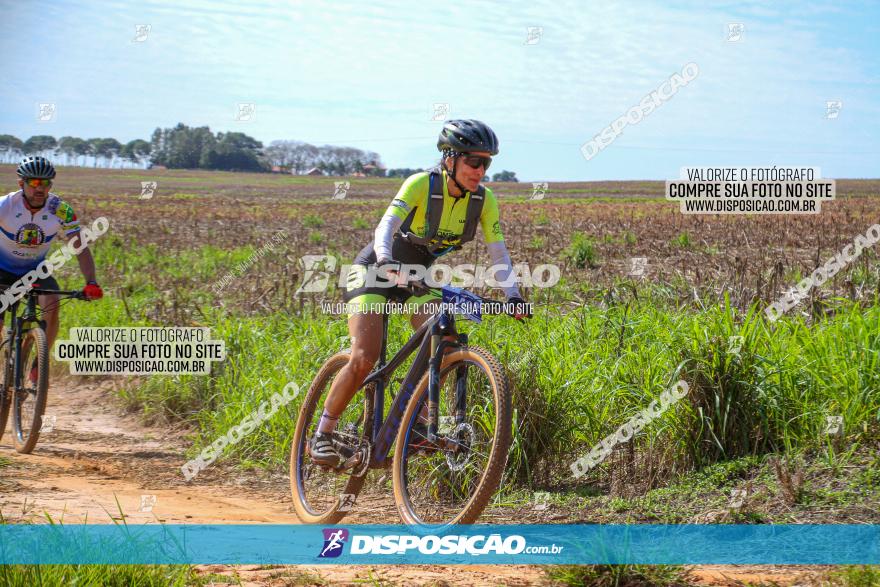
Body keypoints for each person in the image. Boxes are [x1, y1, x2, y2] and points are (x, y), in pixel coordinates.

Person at [309, 119, 530, 466]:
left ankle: (417, 423)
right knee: (365, 356)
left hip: (417, 279)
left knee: (444, 339)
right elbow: (386, 226)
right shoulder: (420, 184)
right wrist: (386, 262)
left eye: (487, 162)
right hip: (375, 272)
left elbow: (498, 253)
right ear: (450, 158)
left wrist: (514, 296)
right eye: (474, 161)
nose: (481, 170)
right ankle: (322, 433)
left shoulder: (484, 201)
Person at [0, 156, 103, 384]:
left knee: (53, 302)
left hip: (34, 271)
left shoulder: (61, 210)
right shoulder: (5, 205)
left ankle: (38, 363)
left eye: (46, 183)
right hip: (1, 269)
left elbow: (79, 246)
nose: (41, 188)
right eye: (34, 183)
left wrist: (92, 282)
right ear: (21, 184)